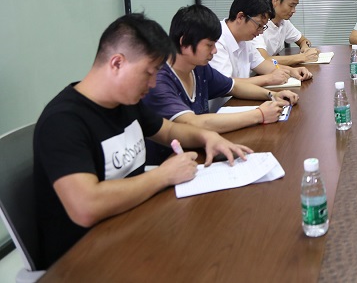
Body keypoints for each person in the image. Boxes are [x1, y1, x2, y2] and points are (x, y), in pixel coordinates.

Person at [33, 14, 253, 268]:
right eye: (148, 73)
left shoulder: (125, 102)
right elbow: (86, 206)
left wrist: (207, 136)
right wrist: (164, 175)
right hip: (85, 257)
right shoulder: (63, 122)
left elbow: (169, 131)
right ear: (117, 63)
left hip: (133, 225)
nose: (153, 83)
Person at [141, 5, 298, 161]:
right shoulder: (158, 81)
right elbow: (191, 123)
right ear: (184, 42)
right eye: (209, 45)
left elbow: (233, 86)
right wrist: (259, 115)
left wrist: (272, 95)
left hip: (200, 150)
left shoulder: (199, 68)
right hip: (168, 163)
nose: (214, 51)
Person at [209, 0, 311, 110]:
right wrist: (268, 79)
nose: (260, 32)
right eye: (259, 25)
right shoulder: (216, 40)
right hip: (221, 110)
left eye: (263, 27)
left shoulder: (244, 39)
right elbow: (226, 85)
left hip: (242, 101)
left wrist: (291, 71)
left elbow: (263, 64)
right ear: (240, 17)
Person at [253, 0, 320, 66]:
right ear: (275, 1)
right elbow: (264, 60)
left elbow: (303, 40)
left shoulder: (283, 22)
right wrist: (303, 57)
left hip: (273, 70)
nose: (294, 10)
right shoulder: (259, 24)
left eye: (295, 6)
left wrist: (305, 48)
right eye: (291, 5)